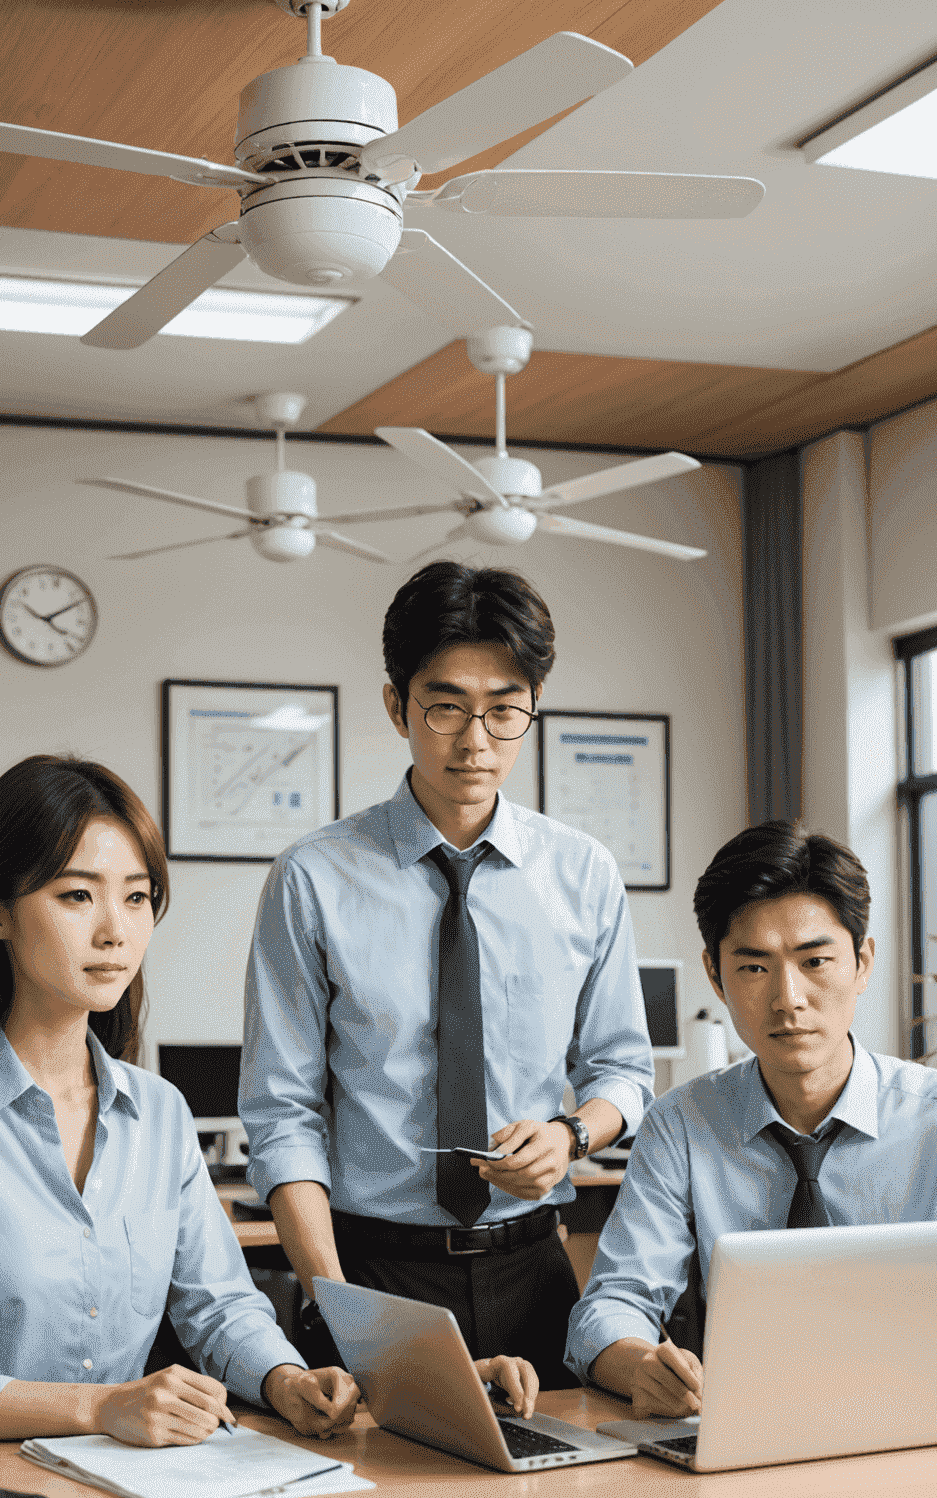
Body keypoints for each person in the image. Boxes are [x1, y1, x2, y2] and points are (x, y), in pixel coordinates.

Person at [0, 754, 364, 1446]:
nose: (115, 931)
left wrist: (285, 1379)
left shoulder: (160, 1113)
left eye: (137, 897)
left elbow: (219, 1307)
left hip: (129, 1482)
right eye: (76, 896)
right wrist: (97, 1408)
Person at [240, 561, 654, 1388]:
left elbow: (622, 1069)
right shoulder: (313, 877)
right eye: (446, 706)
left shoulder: (584, 874)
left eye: (505, 712)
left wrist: (572, 1136)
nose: (475, 742)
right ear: (397, 704)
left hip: (535, 1267)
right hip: (374, 1265)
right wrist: (335, 1299)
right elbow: (281, 1112)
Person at [565, 819, 937, 1415]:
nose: (787, 998)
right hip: (747, 1442)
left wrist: (901, 1389)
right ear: (715, 976)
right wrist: (643, 1366)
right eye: (753, 967)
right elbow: (607, 1311)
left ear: (862, 962)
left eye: (815, 961)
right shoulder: (680, 1126)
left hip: (920, 1437)